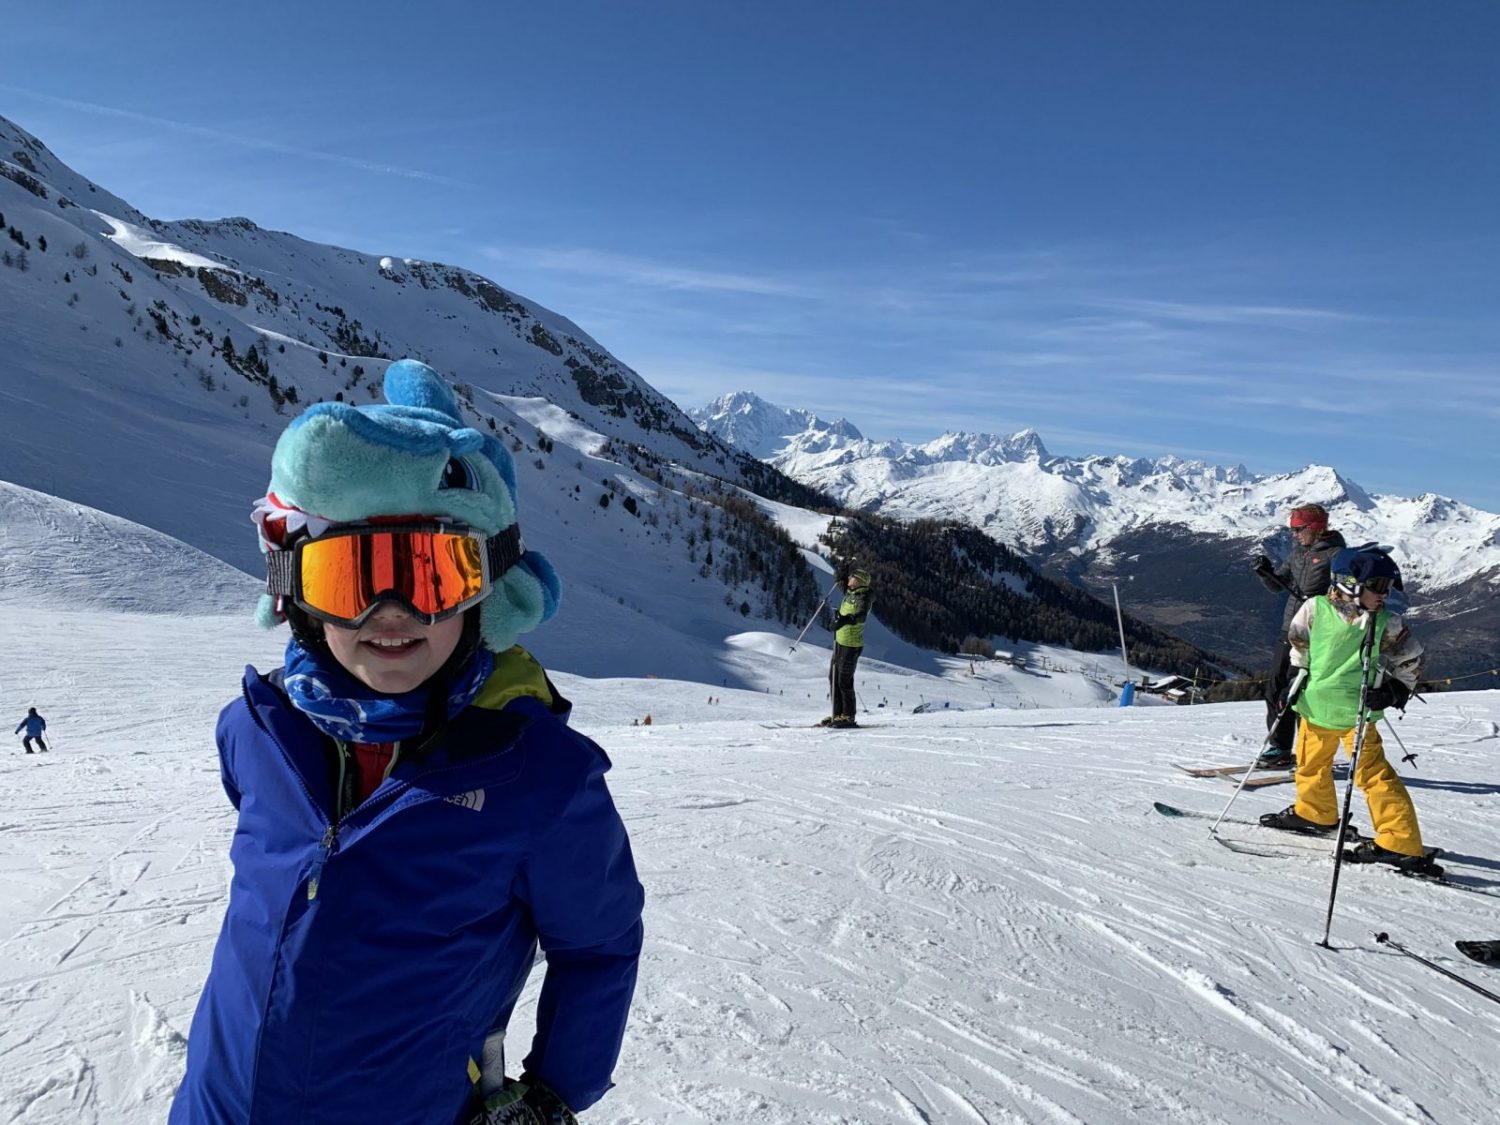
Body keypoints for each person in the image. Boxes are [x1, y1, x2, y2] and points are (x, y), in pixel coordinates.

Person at [170, 360, 644, 1125]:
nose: (391, 613)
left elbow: (601, 944)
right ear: (295, 593)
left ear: (485, 589)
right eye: (350, 578)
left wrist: (555, 1091)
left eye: (431, 575)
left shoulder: (537, 777)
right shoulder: (260, 730)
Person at [1258, 544, 1436, 873]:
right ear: (1349, 583)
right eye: (1379, 587)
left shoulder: (1384, 622)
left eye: (1387, 587)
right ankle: (1316, 812)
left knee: (1374, 777)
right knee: (1310, 766)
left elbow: (1412, 658)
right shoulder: (1314, 609)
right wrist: (1295, 678)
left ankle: (1399, 840)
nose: (1385, 595)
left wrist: (1395, 690)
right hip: (1316, 709)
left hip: (1358, 715)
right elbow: (1299, 645)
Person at [1250, 503, 1346, 769]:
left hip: (1318, 633)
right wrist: (1264, 572)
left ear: (1315, 528)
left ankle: (1309, 750)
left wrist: (1323, 600)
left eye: (1298, 529)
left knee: (1300, 691)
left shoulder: (1337, 555)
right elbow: (1276, 587)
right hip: (1289, 629)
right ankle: (1279, 748)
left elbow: (1347, 595)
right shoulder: (1297, 554)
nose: (1294, 534)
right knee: (1275, 689)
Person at [820, 568, 872, 729]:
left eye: (852, 577)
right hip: (840, 642)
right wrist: (841, 573)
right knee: (833, 678)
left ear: (860, 581)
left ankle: (848, 715)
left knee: (844, 680)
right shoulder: (851, 591)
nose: (849, 578)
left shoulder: (864, 596)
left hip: (851, 644)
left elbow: (861, 615)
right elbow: (841, 581)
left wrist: (844, 620)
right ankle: (838, 713)